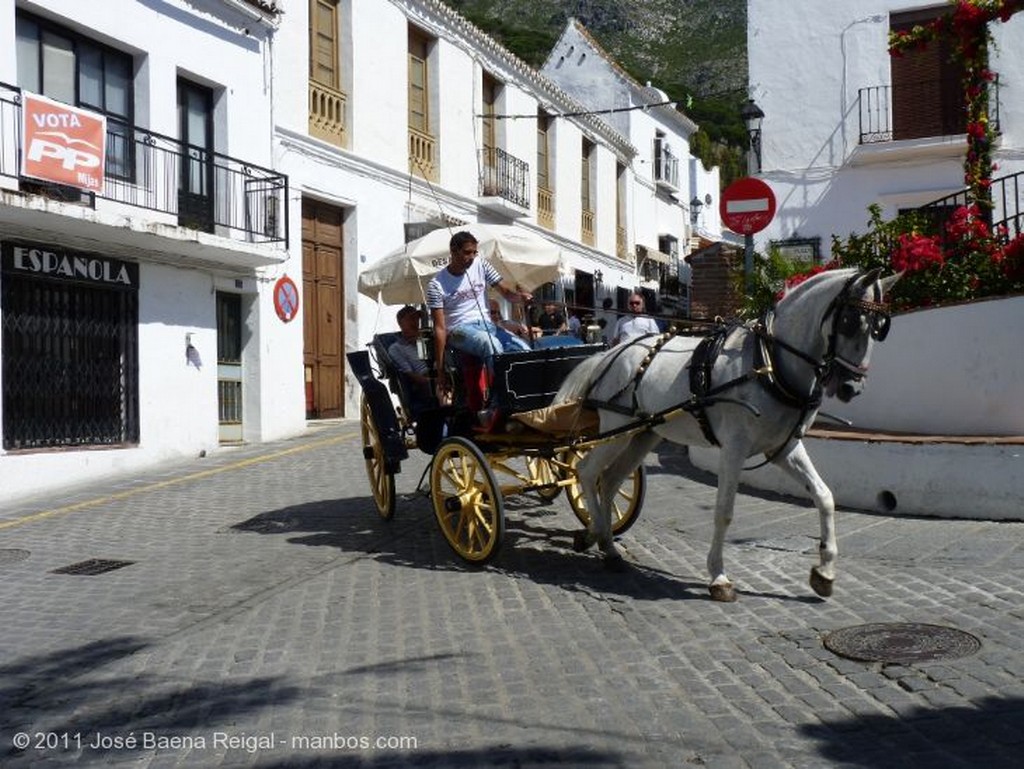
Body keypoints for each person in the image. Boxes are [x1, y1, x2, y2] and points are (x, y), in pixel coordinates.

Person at [427, 231, 532, 398]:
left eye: (475, 252)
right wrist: (440, 370)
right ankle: (502, 397)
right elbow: (440, 328)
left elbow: (506, 292)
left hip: (487, 325)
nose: (472, 256)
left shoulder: (481, 265)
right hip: (458, 330)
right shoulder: (436, 285)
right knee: (490, 344)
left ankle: (527, 392)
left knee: (522, 347)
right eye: (468, 252)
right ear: (454, 251)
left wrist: (520, 297)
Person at [386, 305, 434, 414]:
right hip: (424, 380)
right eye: (411, 319)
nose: (416, 322)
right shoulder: (396, 348)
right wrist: (431, 382)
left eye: (417, 318)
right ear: (401, 323)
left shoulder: (427, 339)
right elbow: (410, 374)